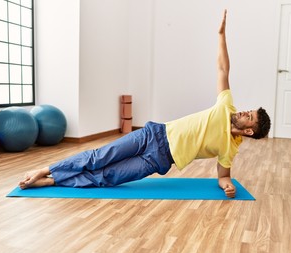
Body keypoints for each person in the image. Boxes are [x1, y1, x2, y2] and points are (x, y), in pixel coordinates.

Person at [19, 10, 271, 198]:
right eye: (249, 111)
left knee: (109, 177)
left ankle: (54, 181)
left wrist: (227, 185)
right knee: (99, 157)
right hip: (153, 134)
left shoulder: (231, 147)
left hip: (160, 160)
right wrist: (220, 35)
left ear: (249, 131)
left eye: (250, 117)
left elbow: (224, 174)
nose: (245, 112)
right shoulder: (227, 106)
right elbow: (222, 69)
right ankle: (45, 169)